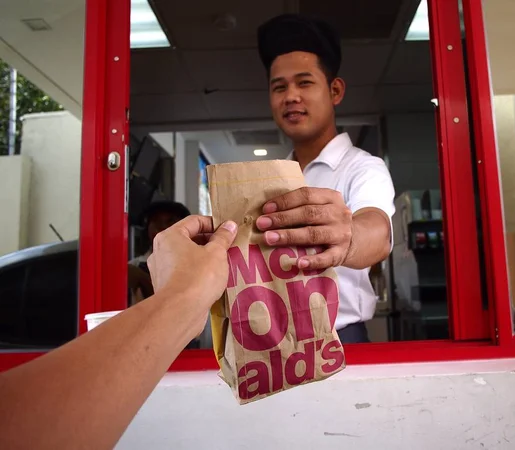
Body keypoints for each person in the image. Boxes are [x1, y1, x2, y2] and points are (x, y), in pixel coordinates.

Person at [0, 216, 238, 450]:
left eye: (170, 220)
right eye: (159, 220)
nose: (164, 224)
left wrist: (181, 302)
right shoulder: (136, 268)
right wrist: (183, 300)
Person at [255, 14, 396, 343]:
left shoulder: (364, 168)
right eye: (279, 87)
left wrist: (347, 239)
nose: (291, 96)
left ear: (334, 90)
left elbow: (377, 231)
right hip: (279, 341)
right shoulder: (270, 179)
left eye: (304, 83)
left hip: (342, 338)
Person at [128, 201, 191, 303]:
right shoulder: (133, 266)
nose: (161, 228)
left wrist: (142, 279)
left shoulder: (193, 266)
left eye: (170, 222)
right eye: (156, 221)